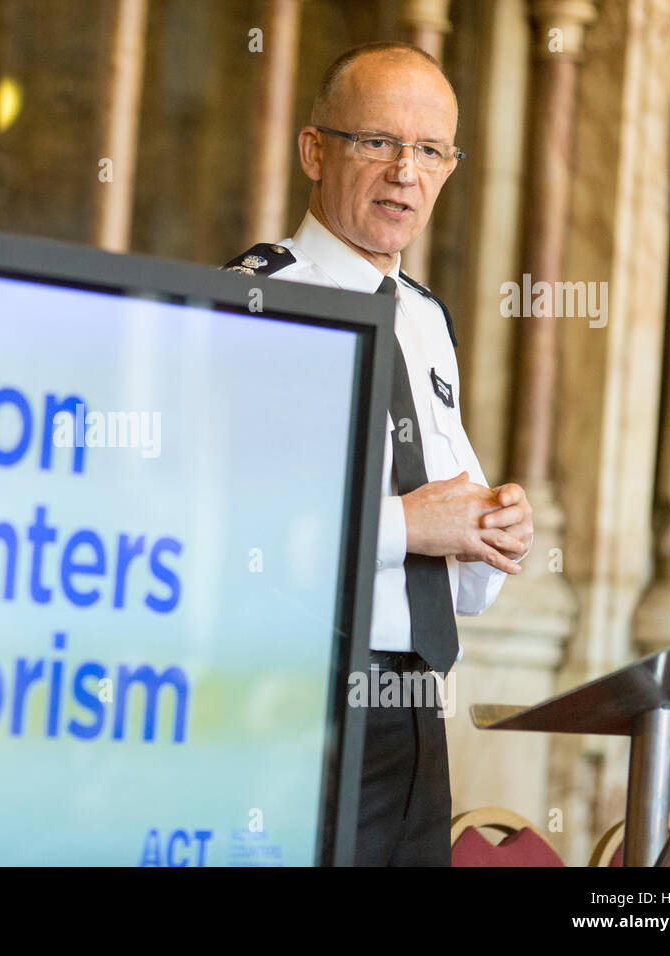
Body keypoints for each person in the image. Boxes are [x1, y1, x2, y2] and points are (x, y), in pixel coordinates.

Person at [223, 41, 534, 865]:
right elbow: (234, 535)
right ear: (314, 150)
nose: (406, 170)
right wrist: (408, 526)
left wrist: (490, 535)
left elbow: (459, 585)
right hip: (291, 702)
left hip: (412, 711)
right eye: (378, 142)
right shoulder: (262, 297)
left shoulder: (426, 321)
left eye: (431, 151)